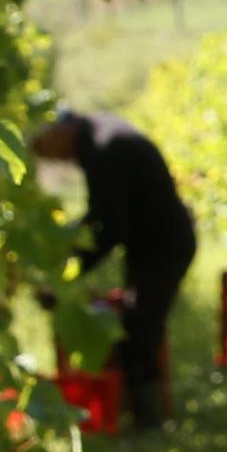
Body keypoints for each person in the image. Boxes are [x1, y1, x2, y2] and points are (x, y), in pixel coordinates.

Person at [31, 107, 197, 428]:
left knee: (140, 330)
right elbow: (102, 215)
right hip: (150, 244)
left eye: (54, 151)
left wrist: (68, 274)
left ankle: (148, 423)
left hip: (165, 246)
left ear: (63, 130)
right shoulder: (99, 135)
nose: (61, 159)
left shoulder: (103, 148)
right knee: (141, 322)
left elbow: (109, 228)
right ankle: (139, 411)